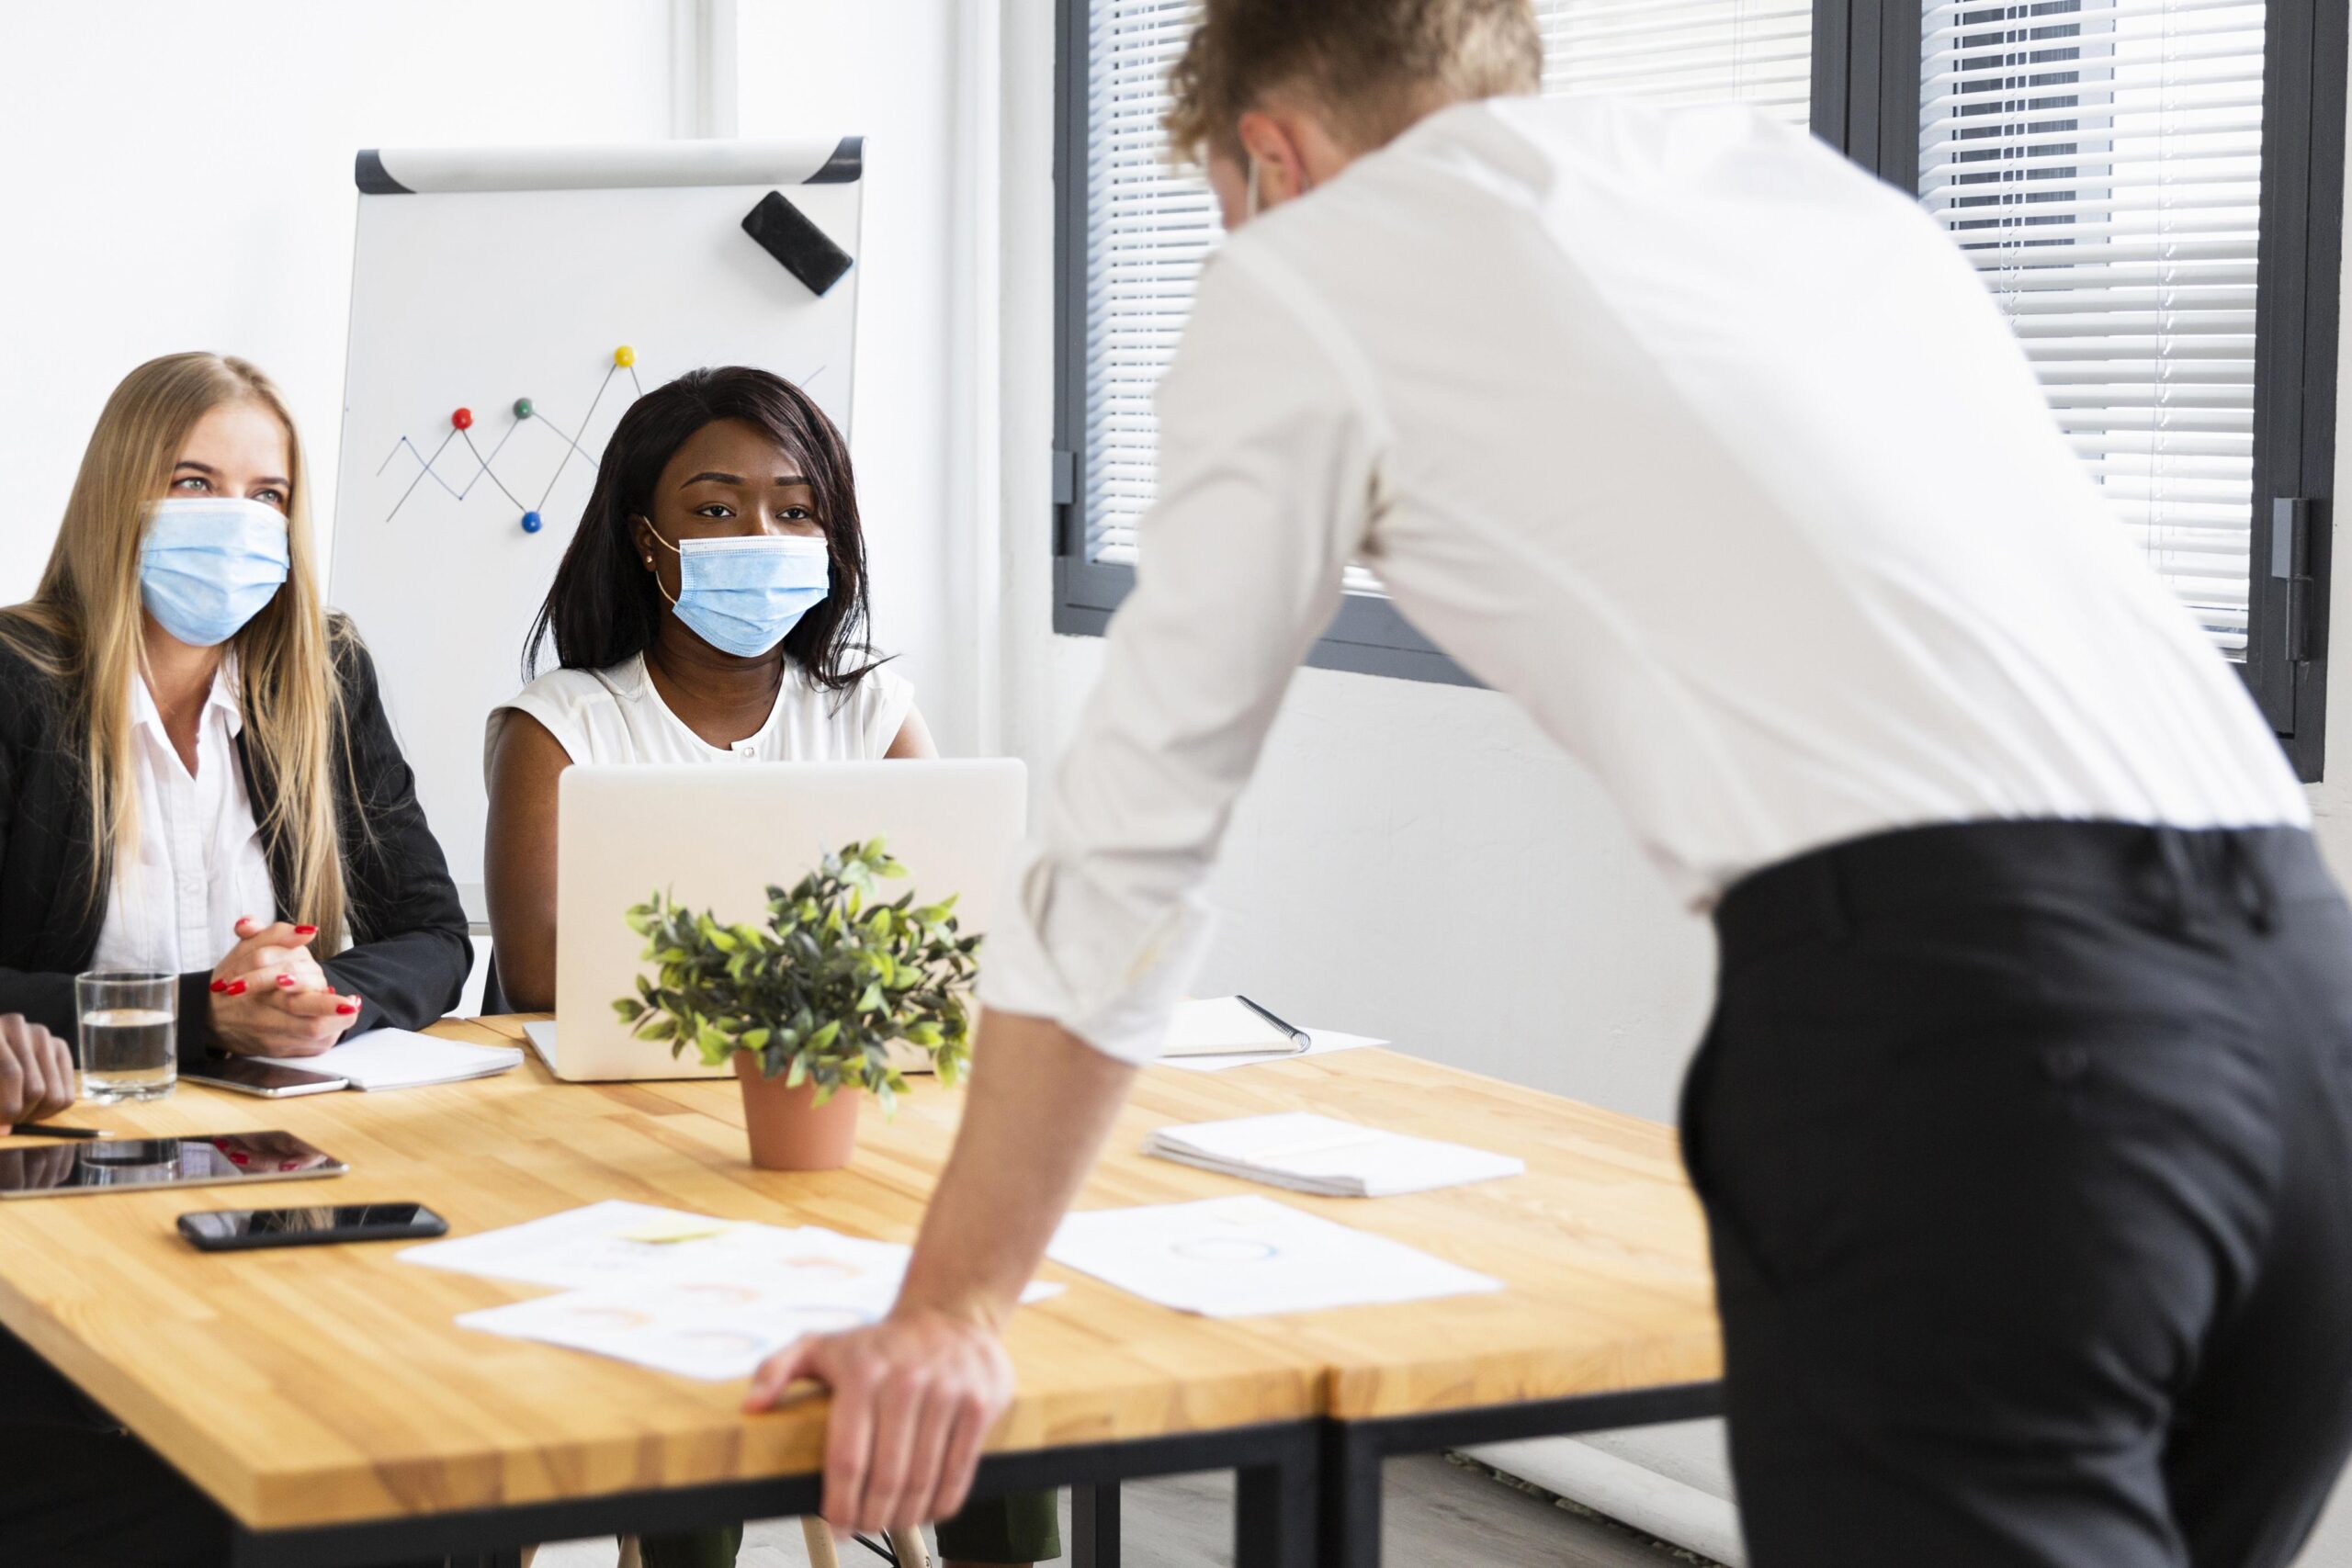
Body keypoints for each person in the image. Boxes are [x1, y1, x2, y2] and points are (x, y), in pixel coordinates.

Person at [742, 4, 2352, 1565]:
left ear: (1274, 159)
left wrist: (951, 1307)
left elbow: (1128, 848)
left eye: (1224, 215)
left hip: (1987, 1057)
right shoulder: (1807, 198)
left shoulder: (1314, 268)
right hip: (2308, 1018)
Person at [484, 366, 1057, 1568]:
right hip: (631, 1156)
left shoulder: (867, 710)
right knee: (699, 1349)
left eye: (796, 511)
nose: (763, 537)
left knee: (998, 1329)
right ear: (648, 540)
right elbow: (540, 975)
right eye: (716, 507)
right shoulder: (565, 722)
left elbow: (950, 938)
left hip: (841, 1147)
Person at [0, 351, 471, 1563]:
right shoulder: (15, 682)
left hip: (295, 1171)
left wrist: (325, 998)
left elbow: (431, 929)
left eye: (267, 495)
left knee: (430, 1458)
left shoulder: (321, 673)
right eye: (195, 481)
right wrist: (209, 1015)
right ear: (120, 495)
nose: (237, 522)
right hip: (69, 1202)